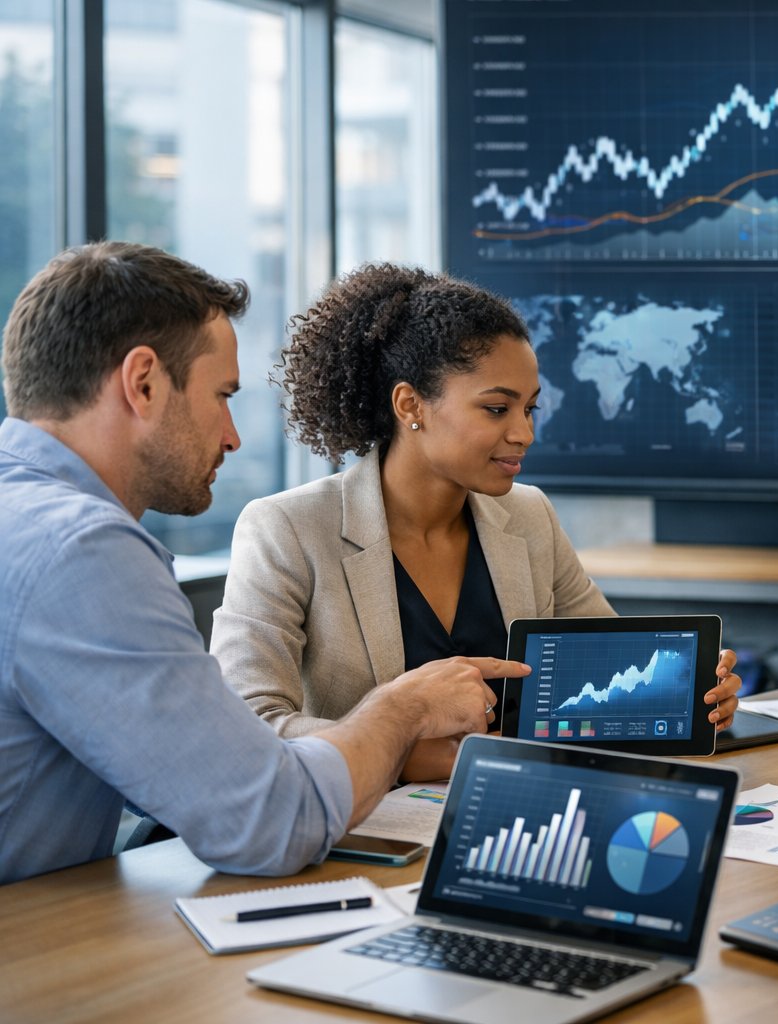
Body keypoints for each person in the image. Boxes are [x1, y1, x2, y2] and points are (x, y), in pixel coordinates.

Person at [0, 243, 523, 885]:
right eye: (221, 396)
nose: (232, 435)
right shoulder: (81, 552)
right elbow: (267, 822)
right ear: (142, 383)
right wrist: (405, 712)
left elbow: (166, 773)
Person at [210, 264, 740, 780]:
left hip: (518, 809)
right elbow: (241, 728)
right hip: (362, 830)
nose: (524, 433)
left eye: (529, 409)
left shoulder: (528, 515)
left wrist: (689, 695)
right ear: (410, 404)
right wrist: (394, 752)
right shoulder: (287, 529)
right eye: (496, 409)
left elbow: (612, 673)